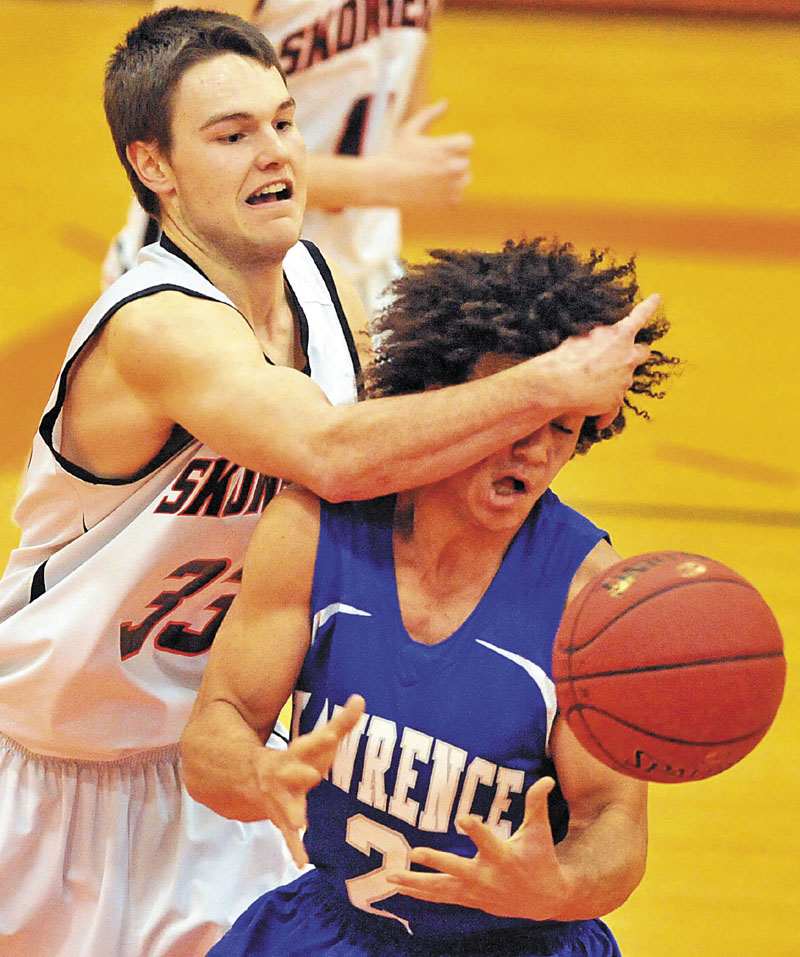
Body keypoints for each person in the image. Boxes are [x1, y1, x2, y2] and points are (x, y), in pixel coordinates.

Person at [0, 8, 656, 956]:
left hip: (222, 764)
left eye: (283, 122)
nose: (274, 154)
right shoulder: (155, 326)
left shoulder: (320, 286)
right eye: (232, 136)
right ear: (154, 166)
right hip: (50, 770)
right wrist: (551, 381)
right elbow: (336, 453)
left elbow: (408, 471)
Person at [181, 237, 680, 956]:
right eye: (516, 412)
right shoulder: (317, 527)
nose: (536, 451)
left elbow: (614, 821)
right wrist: (256, 774)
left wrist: (560, 886)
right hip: (333, 928)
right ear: (448, 399)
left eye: (563, 428)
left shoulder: (588, 593)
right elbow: (214, 732)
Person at [103, 0, 474, 318]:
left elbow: (401, 117)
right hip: (217, 272)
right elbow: (177, 148)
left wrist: (402, 168)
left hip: (360, 265)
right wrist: (380, 181)